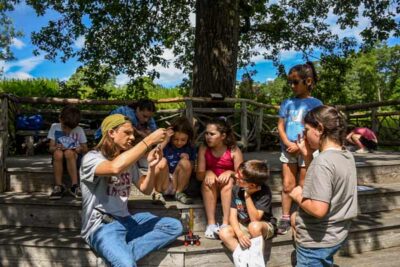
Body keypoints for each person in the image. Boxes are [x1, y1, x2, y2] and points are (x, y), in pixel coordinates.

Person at [80, 114, 182, 267]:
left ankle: (123, 254)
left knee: (173, 226)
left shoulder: (128, 161)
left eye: (133, 133)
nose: (132, 137)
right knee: (126, 265)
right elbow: (114, 168)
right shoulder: (92, 158)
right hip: (101, 226)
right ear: (111, 133)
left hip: (127, 221)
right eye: (127, 133)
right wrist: (149, 141)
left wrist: (152, 167)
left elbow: (146, 189)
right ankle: (123, 258)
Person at [289, 105, 358, 266]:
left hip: (316, 241)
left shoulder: (322, 162)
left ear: (319, 128)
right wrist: (307, 157)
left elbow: (319, 210)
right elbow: (318, 185)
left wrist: (297, 196)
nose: (304, 135)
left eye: (306, 130)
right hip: (337, 233)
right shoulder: (346, 155)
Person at [277, 62, 323, 235]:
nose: (292, 86)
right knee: (288, 185)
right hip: (288, 150)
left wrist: (300, 145)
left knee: (303, 184)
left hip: (307, 150)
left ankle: (302, 214)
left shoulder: (316, 103)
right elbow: (280, 126)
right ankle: (285, 216)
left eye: (296, 82)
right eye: (290, 82)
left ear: (308, 81)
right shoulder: (287, 103)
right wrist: (289, 144)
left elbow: (317, 127)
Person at [219, 160, 277, 266]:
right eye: (237, 172)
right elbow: (232, 216)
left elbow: (255, 219)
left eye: (240, 176)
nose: (236, 175)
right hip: (244, 225)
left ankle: (256, 264)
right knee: (223, 232)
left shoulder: (264, 192)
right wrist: (239, 234)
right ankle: (245, 259)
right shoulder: (236, 188)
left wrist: (247, 195)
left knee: (253, 226)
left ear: (251, 185)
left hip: (263, 225)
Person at [197, 117, 243, 239]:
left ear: (223, 136)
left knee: (229, 181)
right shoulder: (204, 148)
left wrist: (230, 172)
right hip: (211, 187)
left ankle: (225, 223)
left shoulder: (233, 150)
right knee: (207, 182)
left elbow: (242, 176)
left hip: (228, 188)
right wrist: (207, 172)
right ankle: (211, 224)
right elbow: (199, 175)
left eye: (212, 134)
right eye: (206, 133)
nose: (208, 137)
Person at [152, 117, 196, 205]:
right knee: (162, 161)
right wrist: (166, 140)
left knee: (185, 163)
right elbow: (154, 155)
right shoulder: (166, 145)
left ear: (188, 138)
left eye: (183, 140)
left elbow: (191, 168)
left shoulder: (190, 148)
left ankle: (179, 193)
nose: (179, 142)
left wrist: (187, 160)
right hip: (164, 181)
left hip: (178, 182)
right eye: (175, 139)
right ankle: (157, 193)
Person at [48, 105, 88, 199]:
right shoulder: (54, 127)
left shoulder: (79, 130)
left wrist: (80, 149)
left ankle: (74, 185)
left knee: (69, 152)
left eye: (70, 128)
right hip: (58, 159)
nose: (67, 130)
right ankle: (58, 186)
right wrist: (56, 147)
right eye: (64, 127)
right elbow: (50, 148)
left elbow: (85, 148)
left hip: (74, 159)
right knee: (58, 153)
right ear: (60, 119)